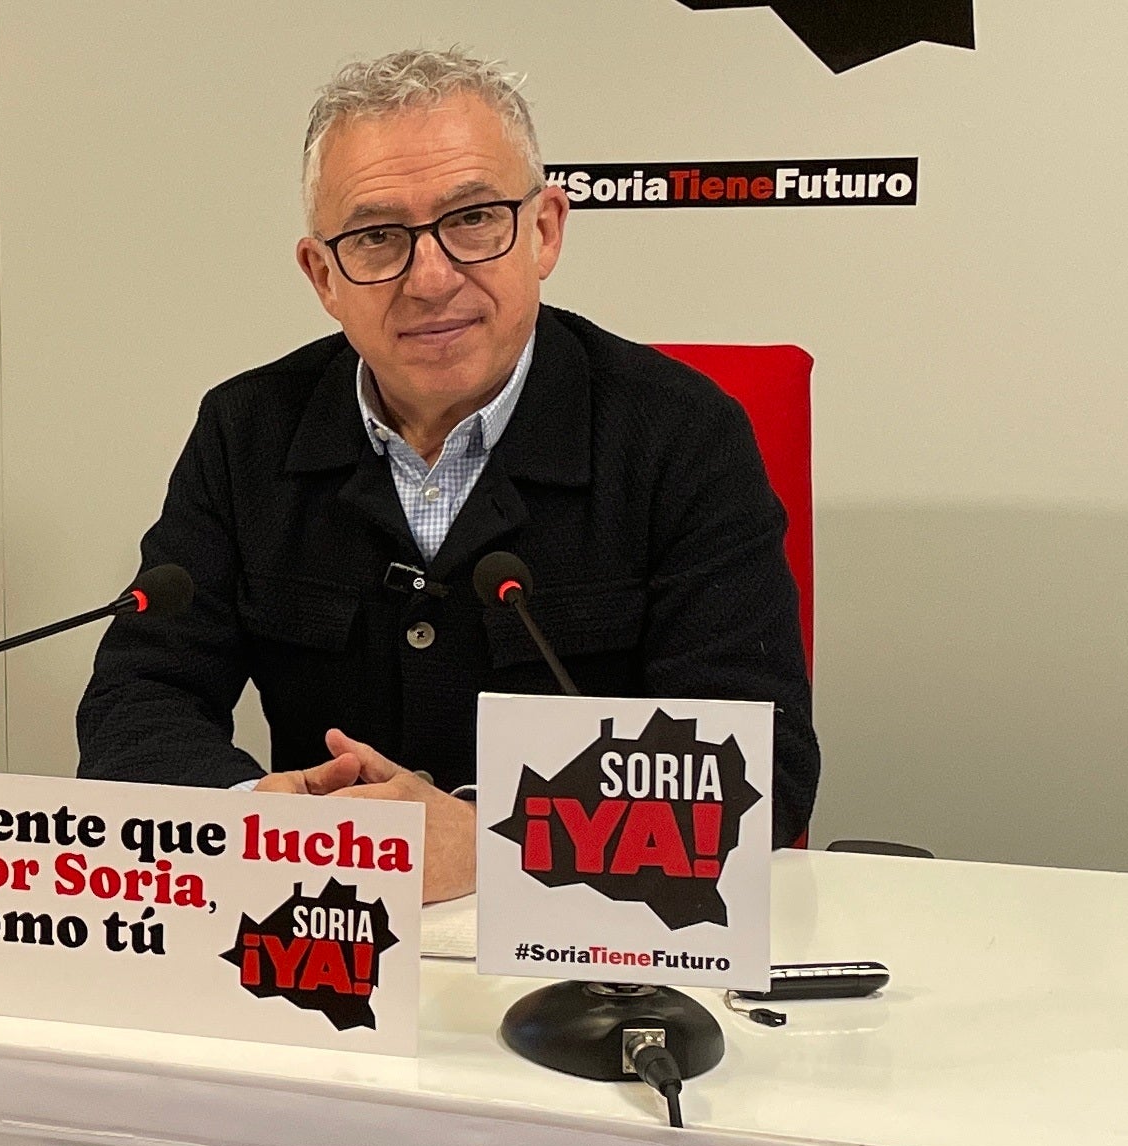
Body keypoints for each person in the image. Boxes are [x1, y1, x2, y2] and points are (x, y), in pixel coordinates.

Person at [77, 48, 818, 901]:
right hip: (319, 926)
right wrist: (250, 815)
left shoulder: (680, 434)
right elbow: (138, 697)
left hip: (587, 941)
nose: (430, 278)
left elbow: (758, 763)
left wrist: (496, 838)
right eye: (377, 236)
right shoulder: (246, 430)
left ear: (543, 231)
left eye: (472, 220)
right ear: (323, 275)